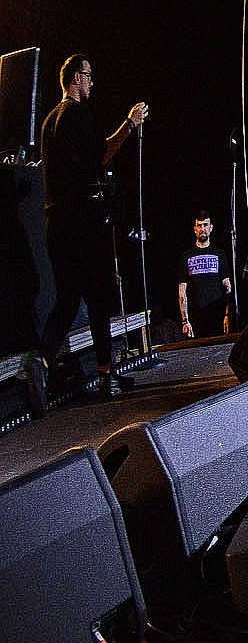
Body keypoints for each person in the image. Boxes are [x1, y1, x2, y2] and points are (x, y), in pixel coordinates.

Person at [35, 53, 147, 400]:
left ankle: (40, 359)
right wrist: (130, 124)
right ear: (74, 79)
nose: (92, 83)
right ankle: (105, 374)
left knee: (68, 299)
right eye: (88, 76)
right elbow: (102, 154)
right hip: (82, 222)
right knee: (99, 298)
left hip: (56, 224)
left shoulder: (48, 121)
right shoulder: (76, 114)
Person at [175, 213, 232, 339]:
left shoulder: (219, 254)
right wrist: (185, 320)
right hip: (195, 320)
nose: (202, 228)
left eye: (205, 225)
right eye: (199, 226)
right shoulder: (186, 256)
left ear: (211, 227)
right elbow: (182, 292)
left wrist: (228, 315)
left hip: (217, 317)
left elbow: (227, 287)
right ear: (195, 229)